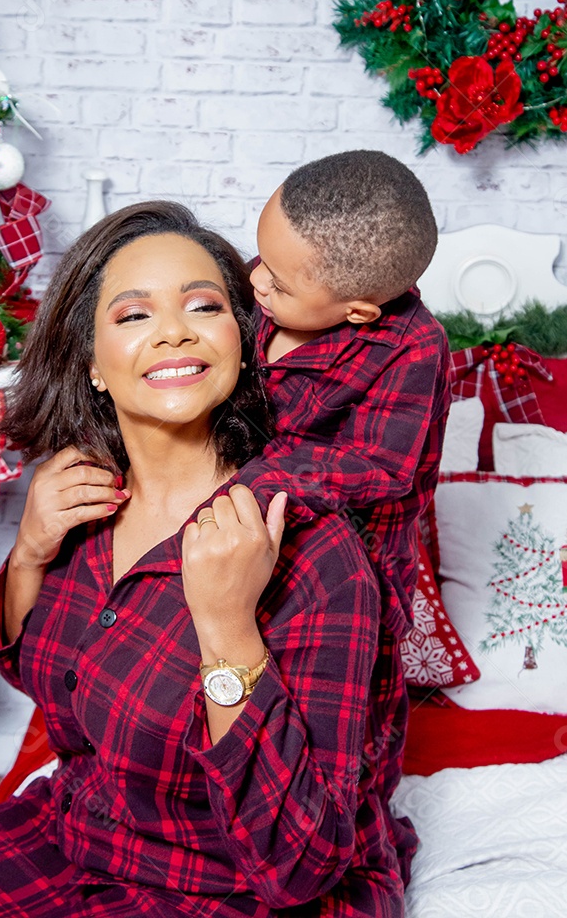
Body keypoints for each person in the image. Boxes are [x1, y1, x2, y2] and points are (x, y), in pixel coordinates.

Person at [0, 202, 405, 917]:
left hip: (230, 887)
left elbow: (299, 864)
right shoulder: (84, 500)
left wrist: (228, 631)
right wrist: (30, 555)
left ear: (242, 339)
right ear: (93, 366)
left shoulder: (309, 544)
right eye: (134, 315)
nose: (173, 330)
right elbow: (52, 677)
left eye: (202, 306)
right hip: (79, 835)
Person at [240, 150, 452, 878]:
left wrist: (254, 476)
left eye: (277, 279)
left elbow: (382, 467)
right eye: (259, 256)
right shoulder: (270, 287)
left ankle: (343, 835)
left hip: (351, 570)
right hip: (251, 545)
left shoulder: (411, 346)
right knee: (245, 682)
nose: (254, 280)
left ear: (357, 310)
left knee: (349, 719)